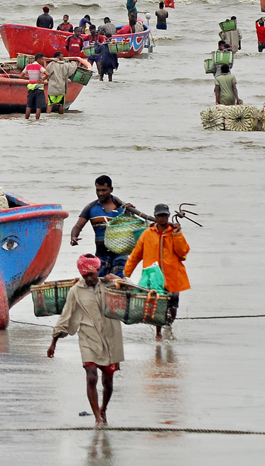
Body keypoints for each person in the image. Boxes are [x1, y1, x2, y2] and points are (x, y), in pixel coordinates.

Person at [47, 254, 125, 427]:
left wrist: (120, 279)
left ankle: (103, 408)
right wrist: (54, 341)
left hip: (111, 337)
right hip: (88, 337)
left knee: (108, 382)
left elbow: (133, 293)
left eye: (92, 274)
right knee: (91, 377)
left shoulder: (110, 285)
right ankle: (97, 417)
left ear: (98, 270)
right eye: (85, 276)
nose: (89, 278)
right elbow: (66, 315)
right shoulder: (76, 291)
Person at [124, 204, 190, 341]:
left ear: (168, 215)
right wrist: (126, 274)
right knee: (157, 305)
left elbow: (183, 253)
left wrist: (177, 235)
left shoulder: (174, 232)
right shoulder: (147, 234)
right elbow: (136, 254)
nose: (162, 218)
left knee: (173, 306)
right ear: (155, 217)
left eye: (165, 215)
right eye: (160, 215)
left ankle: (169, 327)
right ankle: (158, 333)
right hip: (153, 277)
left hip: (172, 275)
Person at [70, 175, 149, 277]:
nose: (100, 193)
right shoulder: (91, 208)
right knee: (99, 282)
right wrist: (73, 237)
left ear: (111, 189)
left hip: (120, 254)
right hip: (101, 254)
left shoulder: (123, 208)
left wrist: (130, 213)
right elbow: (78, 225)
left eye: (104, 190)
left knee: (118, 282)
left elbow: (135, 228)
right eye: (98, 190)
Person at [23, 53, 48, 120]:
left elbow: (21, 75)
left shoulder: (28, 66)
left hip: (31, 88)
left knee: (29, 106)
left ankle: (26, 119)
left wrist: (29, 79)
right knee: (38, 107)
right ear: (38, 59)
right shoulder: (39, 67)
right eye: (42, 59)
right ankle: (37, 120)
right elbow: (47, 74)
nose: (43, 61)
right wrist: (43, 79)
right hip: (39, 88)